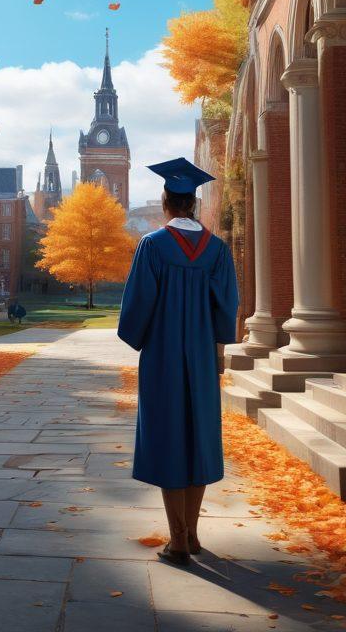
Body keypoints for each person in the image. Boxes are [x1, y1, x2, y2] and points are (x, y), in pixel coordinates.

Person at [118, 157, 239, 567]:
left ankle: (178, 540)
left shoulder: (153, 245)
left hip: (165, 357)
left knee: (169, 436)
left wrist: (137, 335)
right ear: (195, 203)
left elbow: (137, 306)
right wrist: (217, 344)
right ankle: (192, 533)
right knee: (199, 437)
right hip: (202, 357)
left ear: (167, 201)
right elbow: (227, 309)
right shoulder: (217, 250)